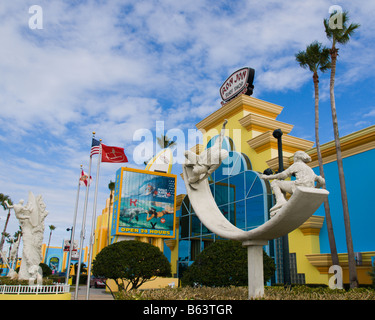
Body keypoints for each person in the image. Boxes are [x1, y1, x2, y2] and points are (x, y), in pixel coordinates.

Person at [260, 150, 325, 215]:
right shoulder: (309, 169)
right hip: (308, 190)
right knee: (281, 185)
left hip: (298, 187)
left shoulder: (296, 165)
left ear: (296, 158)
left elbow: (283, 175)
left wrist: (267, 177)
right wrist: (316, 188)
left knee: (275, 182)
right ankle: (283, 203)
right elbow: (321, 180)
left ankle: (280, 201)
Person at [184, 119, 229, 185]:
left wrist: (200, 180)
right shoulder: (217, 146)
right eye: (217, 155)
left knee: (195, 171)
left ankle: (196, 178)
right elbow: (221, 136)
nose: (216, 157)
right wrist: (224, 126)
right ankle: (192, 163)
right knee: (186, 153)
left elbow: (208, 173)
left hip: (203, 167)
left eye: (219, 158)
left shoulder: (218, 163)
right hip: (198, 158)